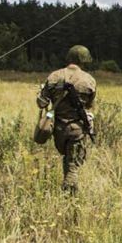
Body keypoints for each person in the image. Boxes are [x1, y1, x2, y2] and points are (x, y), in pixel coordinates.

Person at [36, 45, 96, 194]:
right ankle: (69, 198)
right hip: (77, 130)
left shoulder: (54, 76)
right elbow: (89, 106)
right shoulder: (89, 80)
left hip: (58, 130)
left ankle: (67, 192)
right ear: (84, 60)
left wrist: (41, 92)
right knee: (73, 168)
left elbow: (41, 103)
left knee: (67, 160)